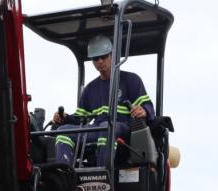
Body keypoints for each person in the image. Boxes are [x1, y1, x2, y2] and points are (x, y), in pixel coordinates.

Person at [52, 35, 154, 167]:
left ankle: (101, 176)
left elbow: (148, 106)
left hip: (123, 128)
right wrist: (64, 118)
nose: (100, 61)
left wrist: (144, 110)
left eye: (104, 56)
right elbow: (80, 119)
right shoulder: (90, 89)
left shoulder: (131, 80)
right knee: (63, 131)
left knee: (107, 127)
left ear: (112, 55)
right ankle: (65, 180)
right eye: (95, 58)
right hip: (99, 128)